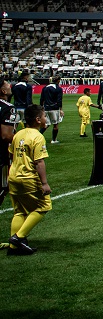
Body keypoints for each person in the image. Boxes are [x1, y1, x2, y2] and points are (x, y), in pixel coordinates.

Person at [7, 105, 51, 255]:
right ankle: (18, 238)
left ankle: (14, 248)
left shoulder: (18, 134)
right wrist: (44, 183)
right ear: (38, 120)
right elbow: (39, 162)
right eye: (44, 116)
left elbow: (11, 155)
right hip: (28, 178)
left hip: (13, 176)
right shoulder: (38, 136)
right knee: (44, 206)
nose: (46, 119)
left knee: (19, 211)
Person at [0, 80, 15, 208]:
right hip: (1, 154)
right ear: (3, 91)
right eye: (7, 85)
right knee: (3, 187)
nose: (10, 86)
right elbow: (5, 135)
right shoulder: (8, 108)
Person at [40, 76, 64, 144]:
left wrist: (41, 107)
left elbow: (42, 99)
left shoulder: (45, 88)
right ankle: (54, 140)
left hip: (46, 108)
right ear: (58, 81)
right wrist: (61, 109)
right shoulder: (58, 88)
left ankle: (38, 136)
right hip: (54, 109)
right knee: (55, 125)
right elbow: (59, 100)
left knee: (46, 124)